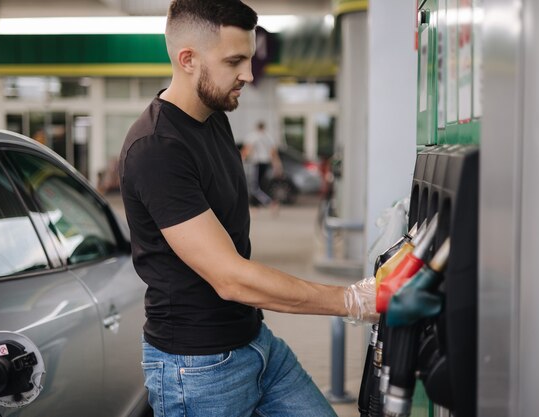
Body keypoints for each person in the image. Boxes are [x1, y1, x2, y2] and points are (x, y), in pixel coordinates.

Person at [118, 1, 377, 416]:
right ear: (188, 59)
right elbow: (231, 278)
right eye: (235, 61)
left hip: (256, 343)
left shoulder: (214, 117)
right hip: (197, 369)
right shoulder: (156, 149)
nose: (249, 74)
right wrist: (354, 300)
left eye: (250, 58)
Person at [241, 121, 282, 209]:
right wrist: (277, 166)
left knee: (254, 187)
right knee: (261, 185)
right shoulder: (268, 137)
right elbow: (273, 153)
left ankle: (270, 203)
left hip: (256, 162)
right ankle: (256, 206)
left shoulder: (253, 136)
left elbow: (248, 149)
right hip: (266, 163)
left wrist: (242, 159)